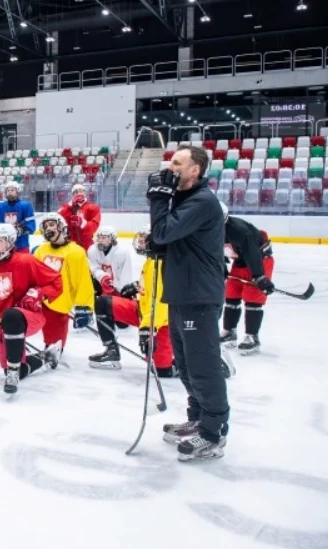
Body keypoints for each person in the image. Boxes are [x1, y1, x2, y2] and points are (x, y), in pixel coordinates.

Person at [147, 144, 228, 462]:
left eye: (178, 163)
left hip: (199, 296)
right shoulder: (185, 200)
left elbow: (164, 231)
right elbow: (164, 239)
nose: (170, 167)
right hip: (182, 293)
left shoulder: (202, 201)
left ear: (195, 169)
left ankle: (213, 432)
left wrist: (157, 198)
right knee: (186, 364)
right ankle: (198, 418)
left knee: (203, 366)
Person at [0, 223, 64, 394]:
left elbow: (56, 282)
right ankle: (45, 357)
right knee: (14, 368)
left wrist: (39, 293)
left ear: (10, 243)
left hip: (29, 317)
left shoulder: (26, 260)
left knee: (12, 315)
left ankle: (13, 371)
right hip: (3, 323)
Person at [88, 225, 175, 377]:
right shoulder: (151, 260)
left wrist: (148, 328)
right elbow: (149, 288)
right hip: (143, 311)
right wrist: (135, 286)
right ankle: (111, 351)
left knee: (162, 371)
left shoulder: (161, 264)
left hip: (161, 322)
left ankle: (195, 361)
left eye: (143, 240)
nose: (139, 243)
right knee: (102, 302)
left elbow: (162, 303)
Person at [33, 213, 95, 354]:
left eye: (52, 224)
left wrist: (84, 306)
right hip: (41, 300)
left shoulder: (76, 252)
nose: (49, 228)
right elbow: (33, 275)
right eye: (45, 226)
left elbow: (83, 281)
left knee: (55, 348)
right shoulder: (41, 250)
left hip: (61, 303)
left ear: (61, 226)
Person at [219, 202, 274, 355]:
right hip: (241, 261)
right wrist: (221, 267)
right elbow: (215, 249)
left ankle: (252, 336)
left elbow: (253, 253)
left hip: (259, 261)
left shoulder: (239, 231)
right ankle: (229, 331)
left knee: (252, 298)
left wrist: (260, 277)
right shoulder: (210, 228)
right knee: (231, 295)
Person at [0, 181, 35, 253]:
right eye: (7, 190)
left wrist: (21, 230)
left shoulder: (26, 206)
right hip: (2, 246)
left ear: (18, 192)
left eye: (12, 190)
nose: (9, 192)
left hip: (21, 246)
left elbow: (31, 224)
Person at [87, 225, 135, 297]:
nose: (100, 240)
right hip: (101, 287)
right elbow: (94, 268)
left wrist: (121, 288)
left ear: (112, 239)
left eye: (103, 238)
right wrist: (102, 277)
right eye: (99, 237)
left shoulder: (122, 252)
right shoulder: (92, 250)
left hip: (118, 289)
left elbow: (126, 275)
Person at [58, 183, 101, 251]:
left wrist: (83, 223)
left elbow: (94, 225)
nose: (79, 193)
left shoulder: (93, 207)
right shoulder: (68, 207)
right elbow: (59, 216)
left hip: (87, 243)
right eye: (76, 192)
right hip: (71, 243)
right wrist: (70, 205)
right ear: (73, 195)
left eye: (81, 191)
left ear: (85, 193)